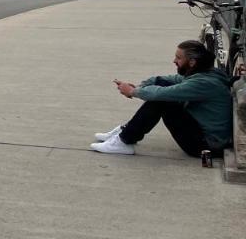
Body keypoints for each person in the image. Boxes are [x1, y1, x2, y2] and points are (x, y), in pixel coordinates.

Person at [90, 39, 233, 157]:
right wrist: (138, 87)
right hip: (202, 133)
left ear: (192, 62)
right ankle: (126, 131)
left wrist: (133, 92)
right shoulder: (203, 73)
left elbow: (161, 94)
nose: (174, 61)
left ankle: (124, 140)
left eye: (178, 58)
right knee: (163, 85)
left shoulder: (203, 83)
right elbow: (162, 79)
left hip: (207, 146)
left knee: (162, 100)